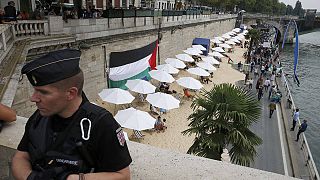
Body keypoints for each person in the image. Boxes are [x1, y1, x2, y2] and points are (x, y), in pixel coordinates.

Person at [11, 49, 131, 180]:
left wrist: (72, 179)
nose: (33, 98)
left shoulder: (100, 123)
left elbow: (123, 176)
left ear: (71, 93)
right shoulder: (39, 118)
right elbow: (21, 156)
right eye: (35, 91)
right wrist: (31, 178)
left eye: (43, 92)